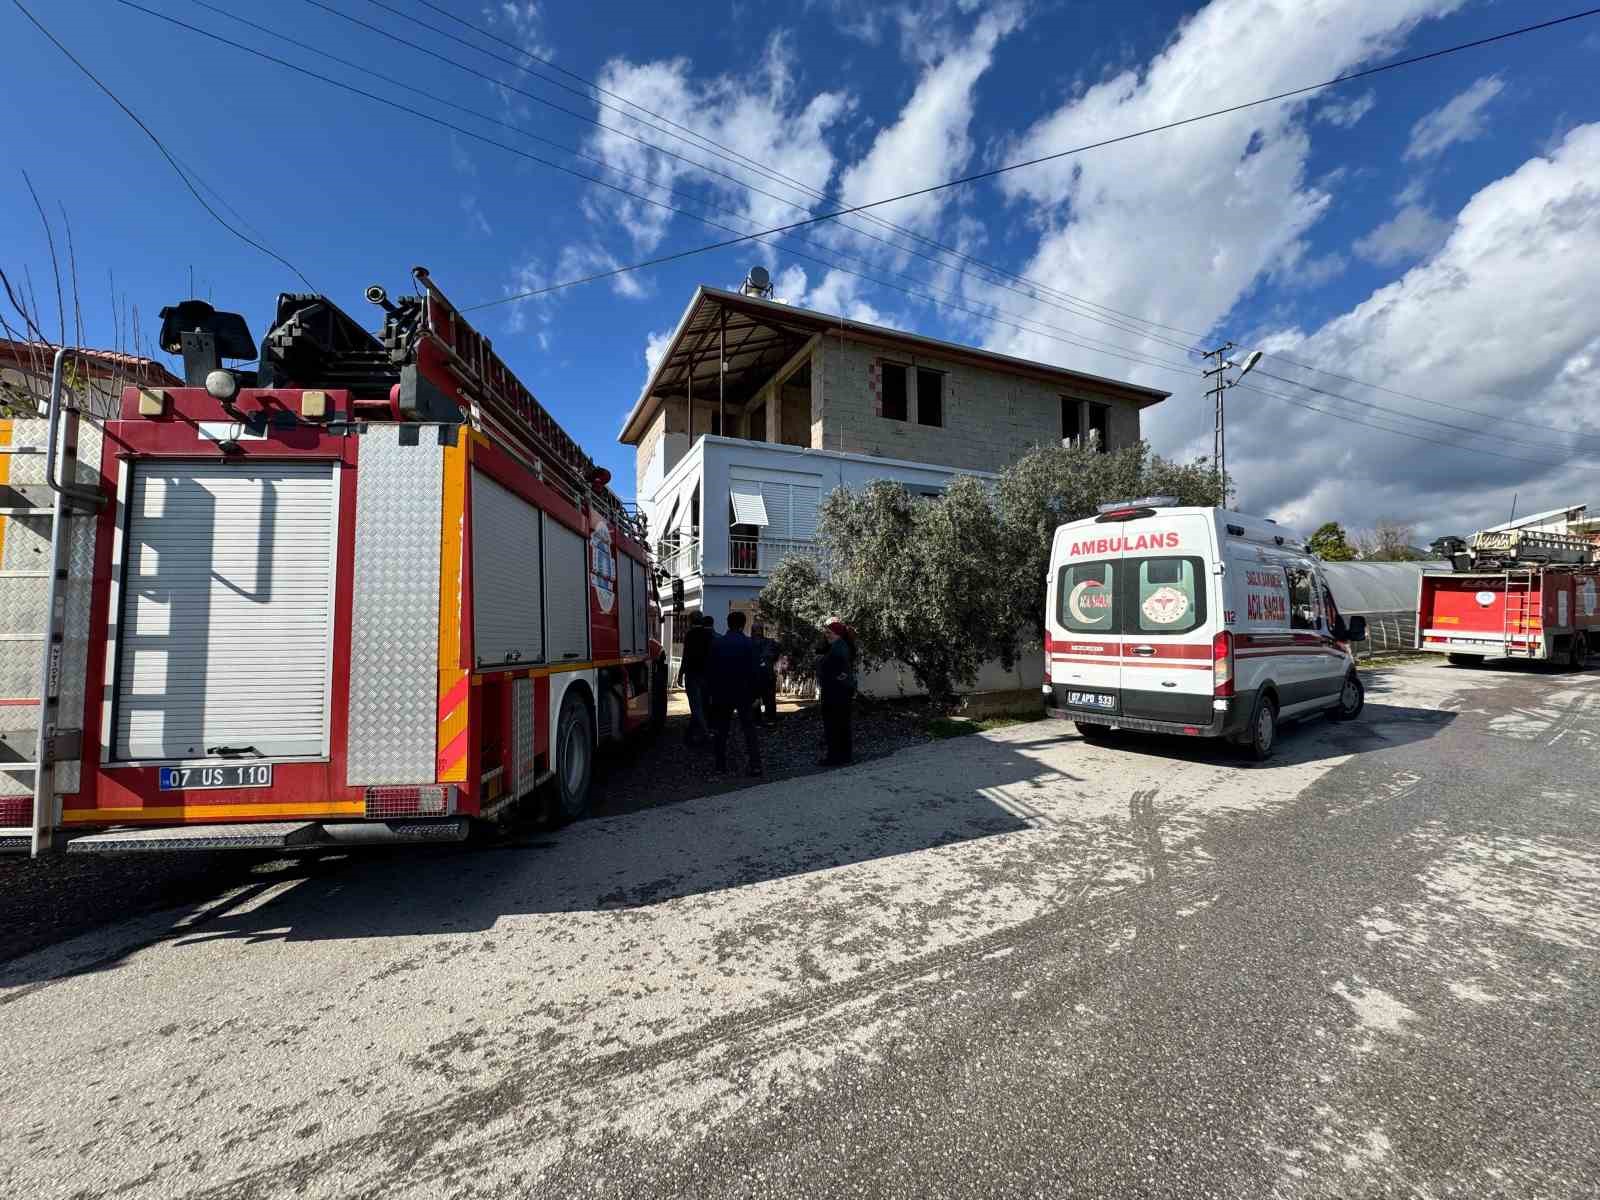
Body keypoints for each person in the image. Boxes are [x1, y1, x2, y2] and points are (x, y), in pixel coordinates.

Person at [707, 611, 763, 777]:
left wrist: (711, 693)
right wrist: (757, 694)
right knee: (749, 730)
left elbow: (710, 671)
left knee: (722, 730)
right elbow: (755, 672)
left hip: (722, 693)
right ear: (744, 624)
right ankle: (755, 765)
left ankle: (720, 765)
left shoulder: (717, 644)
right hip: (744, 693)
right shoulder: (749, 644)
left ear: (728, 623)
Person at [815, 618, 856, 766]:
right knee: (842, 725)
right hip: (841, 692)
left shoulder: (838, 648)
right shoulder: (841, 646)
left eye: (829, 632)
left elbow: (836, 670)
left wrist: (821, 662)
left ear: (837, 634)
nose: (827, 635)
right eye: (826, 632)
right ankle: (844, 755)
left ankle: (834, 757)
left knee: (833, 726)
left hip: (835, 693)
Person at [678, 613, 715, 745]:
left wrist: (680, 673)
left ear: (690, 621)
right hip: (706, 674)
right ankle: (698, 732)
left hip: (692, 674)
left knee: (695, 706)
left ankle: (705, 733)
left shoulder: (689, 635)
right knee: (703, 705)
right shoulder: (709, 635)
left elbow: (686, 655)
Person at [751, 622, 780, 726]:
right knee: (769, 699)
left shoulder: (748, 643)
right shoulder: (771, 643)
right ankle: (770, 719)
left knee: (754, 699)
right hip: (768, 675)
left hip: (753, 676)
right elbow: (776, 656)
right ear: (762, 630)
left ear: (752, 631)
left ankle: (756, 720)